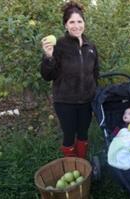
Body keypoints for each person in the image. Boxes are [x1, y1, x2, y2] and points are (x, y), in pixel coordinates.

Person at [40, 1, 99, 158]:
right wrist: (48, 57)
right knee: (69, 135)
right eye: (71, 22)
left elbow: (95, 73)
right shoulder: (58, 45)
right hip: (65, 101)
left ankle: (82, 165)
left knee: (83, 134)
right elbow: (47, 76)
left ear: (84, 23)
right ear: (65, 25)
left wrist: (95, 93)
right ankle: (70, 166)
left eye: (79, 21)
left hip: (87, 100)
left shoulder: (90, 46)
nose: (76, 26)